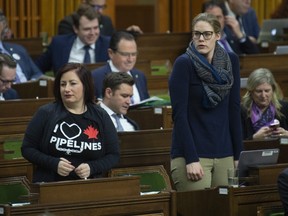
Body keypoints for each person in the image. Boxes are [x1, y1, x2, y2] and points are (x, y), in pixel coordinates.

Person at [169, 13, 243, 191]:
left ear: (218, 35)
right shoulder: (183, 64)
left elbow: (233, 109)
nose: (201, 39)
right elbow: (179, 116)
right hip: (193, 154)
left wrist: (239, 154)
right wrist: (191, 159)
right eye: (196, 34)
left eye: (207, 34)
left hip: (225, 151)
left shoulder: (231, 61)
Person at [21, 63, 120, 182]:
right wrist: (53, 163)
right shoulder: (46, 113)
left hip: (89, 184)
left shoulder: (100, 116)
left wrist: (92, 167)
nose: (66, 89)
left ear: (85, 86)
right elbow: (27, 148)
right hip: (50, 183)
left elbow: (113, 155)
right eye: (63, 84)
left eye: (73, 83)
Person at [35, 3, 110, 76]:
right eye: (87, 29)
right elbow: (36, 68)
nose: (92, 33)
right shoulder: (58, 44)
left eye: (96, 28)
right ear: (75, 29)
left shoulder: (108, 44)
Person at [92, 31, 149, 104]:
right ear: (111, 53)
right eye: (125, 54)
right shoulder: (96, 77)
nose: (130, 59)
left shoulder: (140, 76)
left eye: (134, 54)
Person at [241, 68, 288, 140]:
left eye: (267, 91)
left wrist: (287, 135)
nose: (263, 95)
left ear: (273, 90)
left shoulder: (284, 108)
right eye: (259, 91)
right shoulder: (241, 111)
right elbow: (236, 143)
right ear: (251, 92)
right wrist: (254, 138)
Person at [0, 10, 45, 83]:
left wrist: (30, 85)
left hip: (30, 91)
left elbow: (37, 73)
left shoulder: (18, 49)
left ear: (3, 25)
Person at [58, 0, 143, 36]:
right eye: (96, 7)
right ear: (84, 3)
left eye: (102, 7)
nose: (100, 11)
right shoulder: (67, 23)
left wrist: (127, 32)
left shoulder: (106, 21)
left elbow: (112, 38)